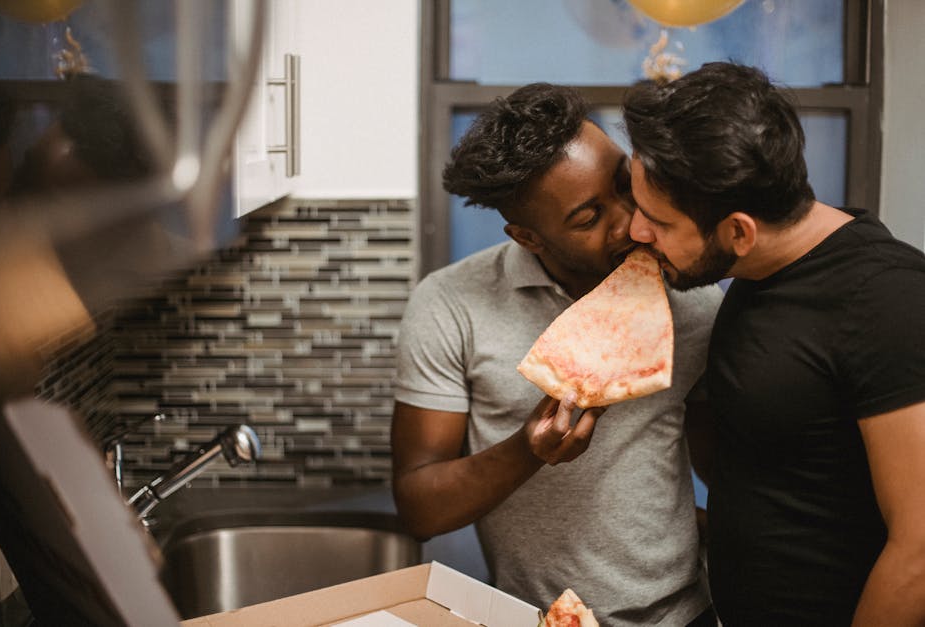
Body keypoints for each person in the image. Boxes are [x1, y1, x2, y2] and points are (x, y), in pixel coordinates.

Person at [391, 82, 724, 626]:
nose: (630, 223)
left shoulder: (693, 299)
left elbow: (722, 466)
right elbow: (419, 507)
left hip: (686, 613)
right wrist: (530, 450)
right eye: (589, 218)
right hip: (538, 618)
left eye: (625, 186)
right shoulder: (451, 305)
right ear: (528, 238)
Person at [622, 61, 925, 626]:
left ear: (739, 231)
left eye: (659, 222)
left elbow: (921, 548)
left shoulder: (888, 299)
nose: (637, 232)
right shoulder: (759, 271)